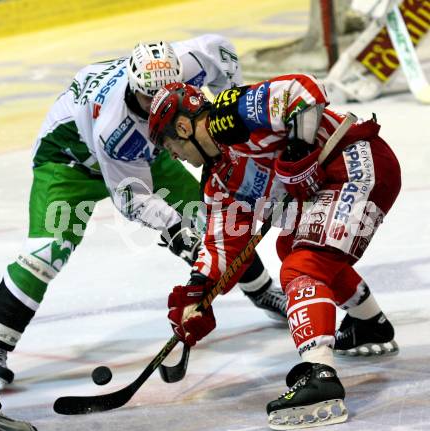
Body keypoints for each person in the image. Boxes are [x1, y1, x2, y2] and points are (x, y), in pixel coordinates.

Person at [0, 35, 288, 395]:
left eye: (169, 91)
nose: (159, 101)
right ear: (134, 87)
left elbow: (221, 53)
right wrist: (175, 229)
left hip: (153, 146)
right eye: (149, 97)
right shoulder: (115, 129)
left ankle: (262, 290)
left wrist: (235, 114)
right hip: (71, 162)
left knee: (214, 220)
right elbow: (132, 198)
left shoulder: (189, 61)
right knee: (46, 253)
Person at [147, 76, 401, 429]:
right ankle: (369, 323)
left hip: (356, 163)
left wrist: (297, 148)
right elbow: (222, 246)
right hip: (332, 183)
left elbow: (304, 90)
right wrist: (197, 294)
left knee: (303, 267)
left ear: (184, 126)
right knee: (290, 246)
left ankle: (320, 376)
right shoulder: (219, 182)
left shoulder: (230, 114)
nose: (173, 155)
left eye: (169, 144)